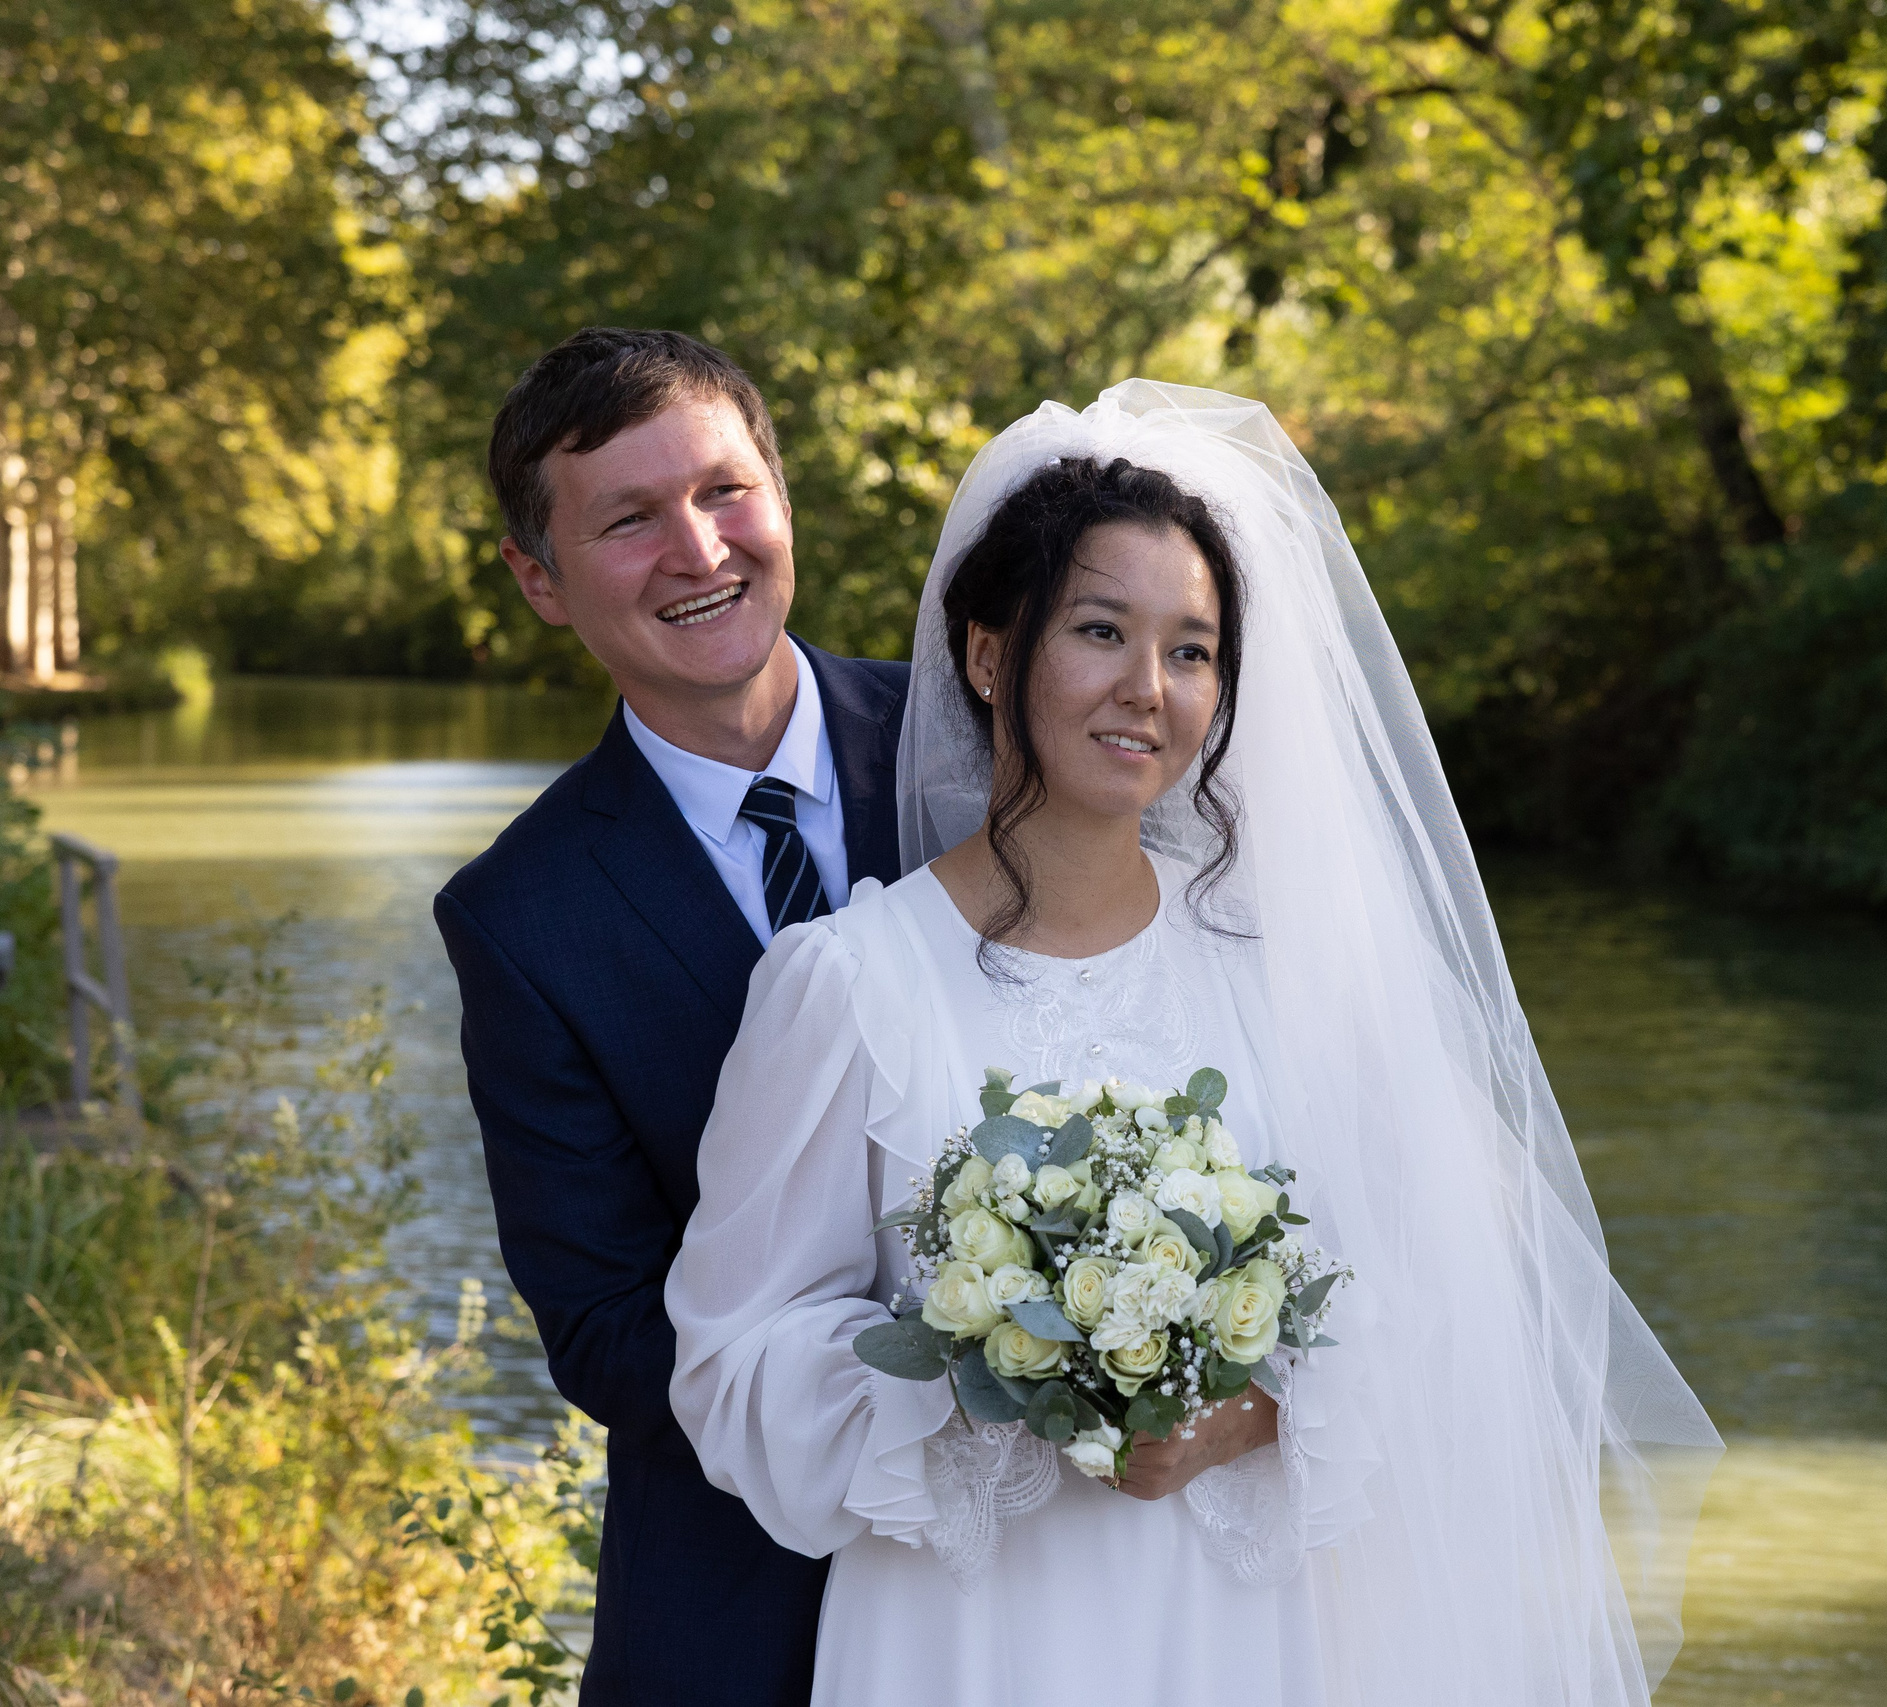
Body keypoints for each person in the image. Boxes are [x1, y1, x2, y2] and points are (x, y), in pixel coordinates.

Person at [664, 380, 1721, 1705]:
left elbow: (1417, 1314)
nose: (1147, 690)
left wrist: (1232, 1419)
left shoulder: (1276, 981)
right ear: (991, 655)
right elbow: (732, 1355)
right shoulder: (847, 986)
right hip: (970, 1633)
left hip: (1239, 1623)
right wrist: (996, 1379)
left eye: (1192, 650)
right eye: (1102, 631)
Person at [434, 327, 908, 1704]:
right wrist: (932, 1407)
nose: (699, 552)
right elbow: (602, 1326)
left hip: (1077, 1564)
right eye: (628, 521)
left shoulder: (993, 742)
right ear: (540, 579)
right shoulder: (519, 920)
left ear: (780, 489)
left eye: (723, 490)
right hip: (744, 1601)